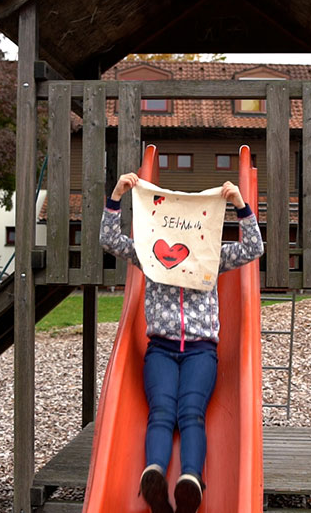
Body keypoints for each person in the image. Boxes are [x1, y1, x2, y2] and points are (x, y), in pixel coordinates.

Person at [100, 172, 264, 513]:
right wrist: (117, 196)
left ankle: (190, 480)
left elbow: (253, 248)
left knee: (191, 413)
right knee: (161, 412)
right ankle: (154, 475)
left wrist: (240, 205)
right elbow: (110, 240)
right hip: (160, 348)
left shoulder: (210, 256)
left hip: (201, 350)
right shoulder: (150, 254)